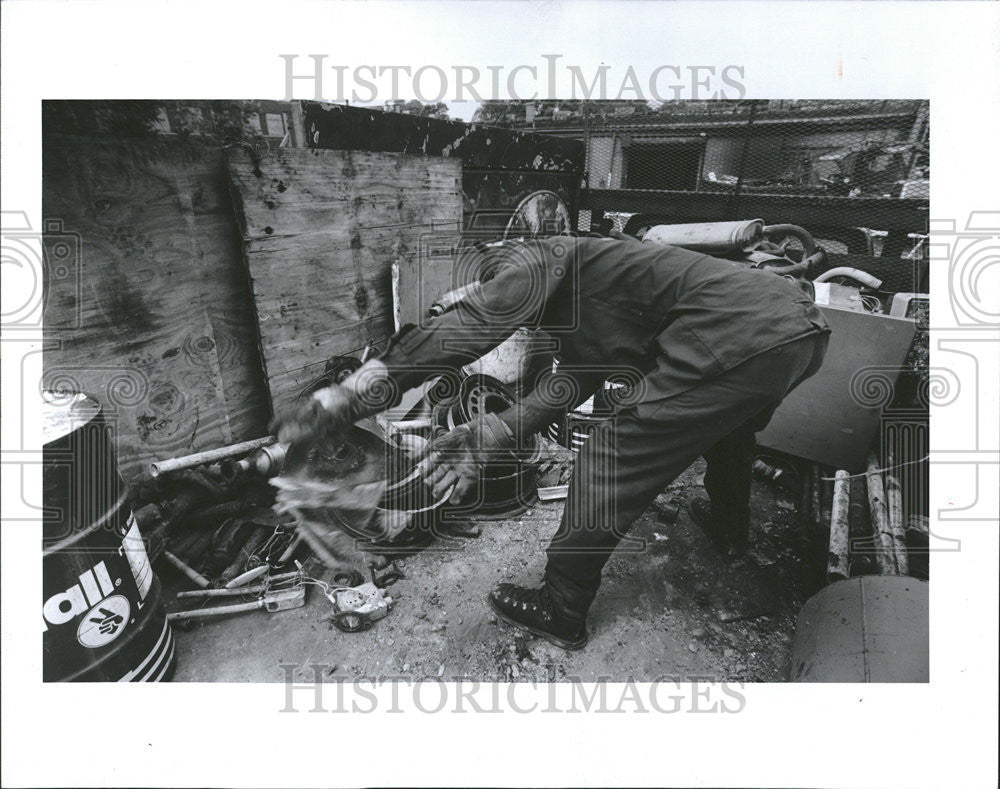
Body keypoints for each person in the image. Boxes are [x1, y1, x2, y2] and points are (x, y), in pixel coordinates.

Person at [276, 235, 830, 650]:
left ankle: (562, 608)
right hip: (795, 334)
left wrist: (346, 398)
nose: (475, 305)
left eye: (474, 298)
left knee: (607, 462)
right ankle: (730, 528)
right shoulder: (587, 289)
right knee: (731, 432)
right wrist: (494, 430)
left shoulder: (531, 258)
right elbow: (577, 377)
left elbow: (463, 332)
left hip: (740, 335)